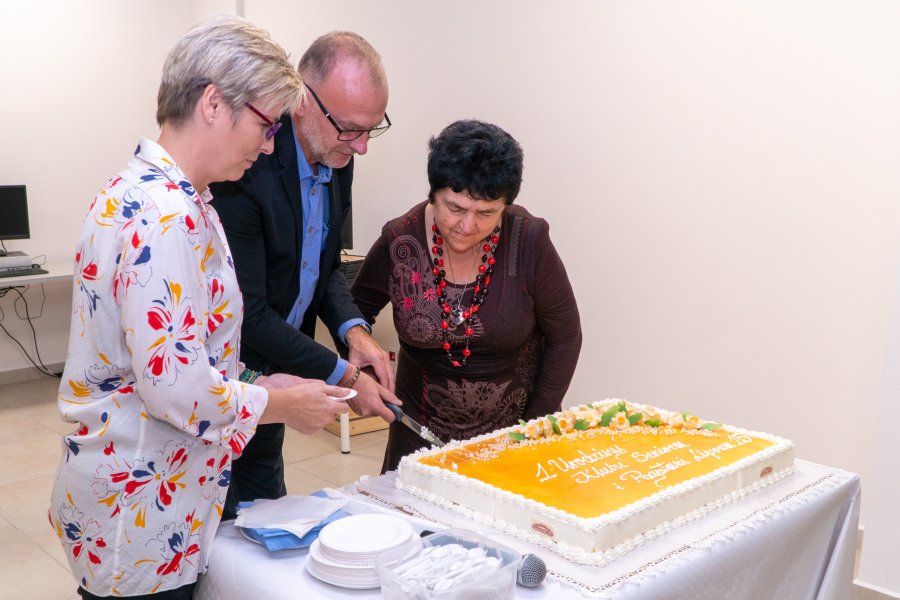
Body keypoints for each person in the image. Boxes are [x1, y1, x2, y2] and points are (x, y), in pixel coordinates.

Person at [48, 16, 352, 599]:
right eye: (266, 127)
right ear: (214, 104)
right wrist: (281, 402)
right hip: (139, 510)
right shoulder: (168, 216)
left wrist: (256, 379)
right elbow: (175, 388)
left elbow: (178, 353)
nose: (269, 147)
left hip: (141, 494)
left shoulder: (156, 192)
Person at [209, 31, 399, 520]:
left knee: (263, 524)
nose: (361, 148)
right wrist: (347, 375)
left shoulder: (339, 157)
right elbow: (249, 314)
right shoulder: (249, 166)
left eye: (371, 131)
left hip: (281, 373)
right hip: (222, 385)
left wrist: (353, 331)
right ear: (303, 99)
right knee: (214, 535)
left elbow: (325, 266)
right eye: (351, 129)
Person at [351, 119, 583, 472]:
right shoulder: (401, 240)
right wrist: (361, 376)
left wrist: (536, 427)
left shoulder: (529, 241)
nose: (467, 225)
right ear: (433, 194)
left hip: (514, 439)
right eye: (455, 208)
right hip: (419, 438)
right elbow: (352, 315)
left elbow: (565, 336)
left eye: (487, 213)